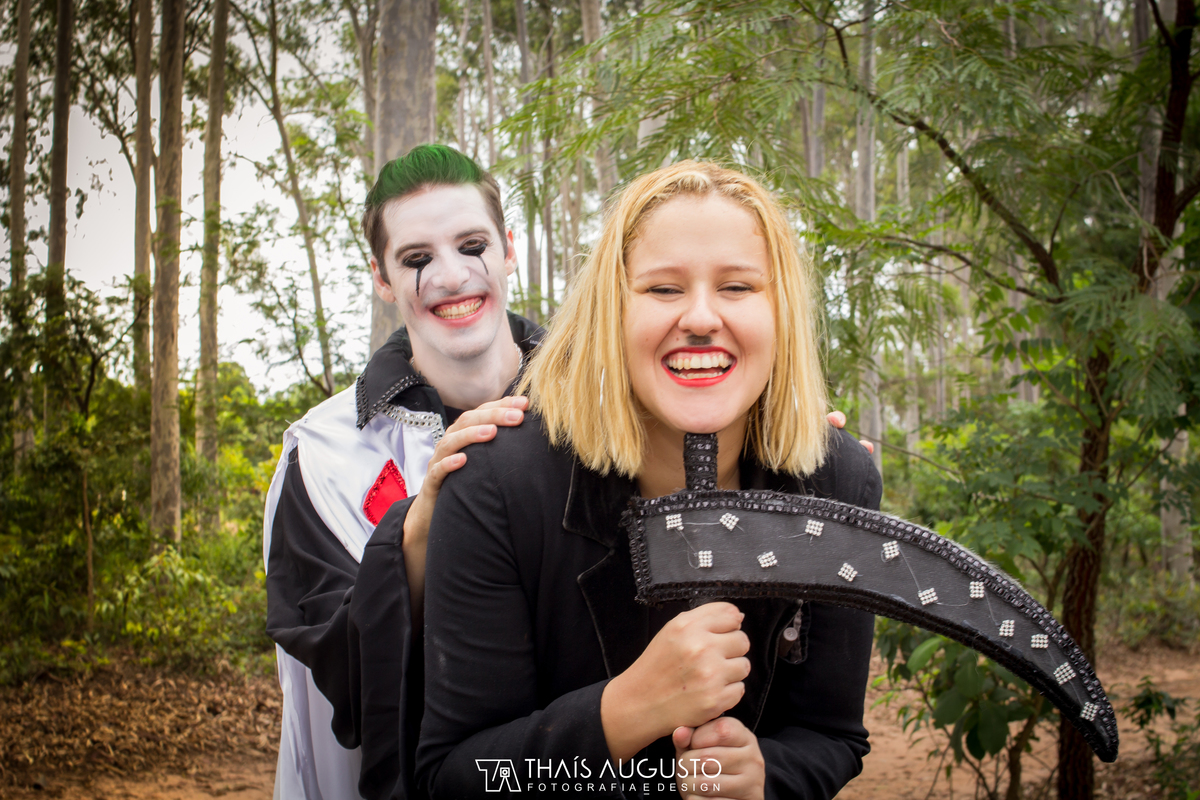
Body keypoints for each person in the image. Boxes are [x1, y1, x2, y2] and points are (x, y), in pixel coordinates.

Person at [416, 161, 883, 799]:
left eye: (739, 288)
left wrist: (765, 779)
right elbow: (453, 777)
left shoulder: (837, 480)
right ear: (612, 311)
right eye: (663, 289)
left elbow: (830, 736)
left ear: (782, 314)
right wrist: (626, 711)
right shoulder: (499, 483)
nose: (699, 318)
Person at [263, 144, 540, 800]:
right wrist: (418, 532)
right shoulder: (323, 456)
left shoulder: (609, 412)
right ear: (383, 278)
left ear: (507, 249)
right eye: (417, 259)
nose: (449, 276)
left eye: (471, 245)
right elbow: (340, 674)